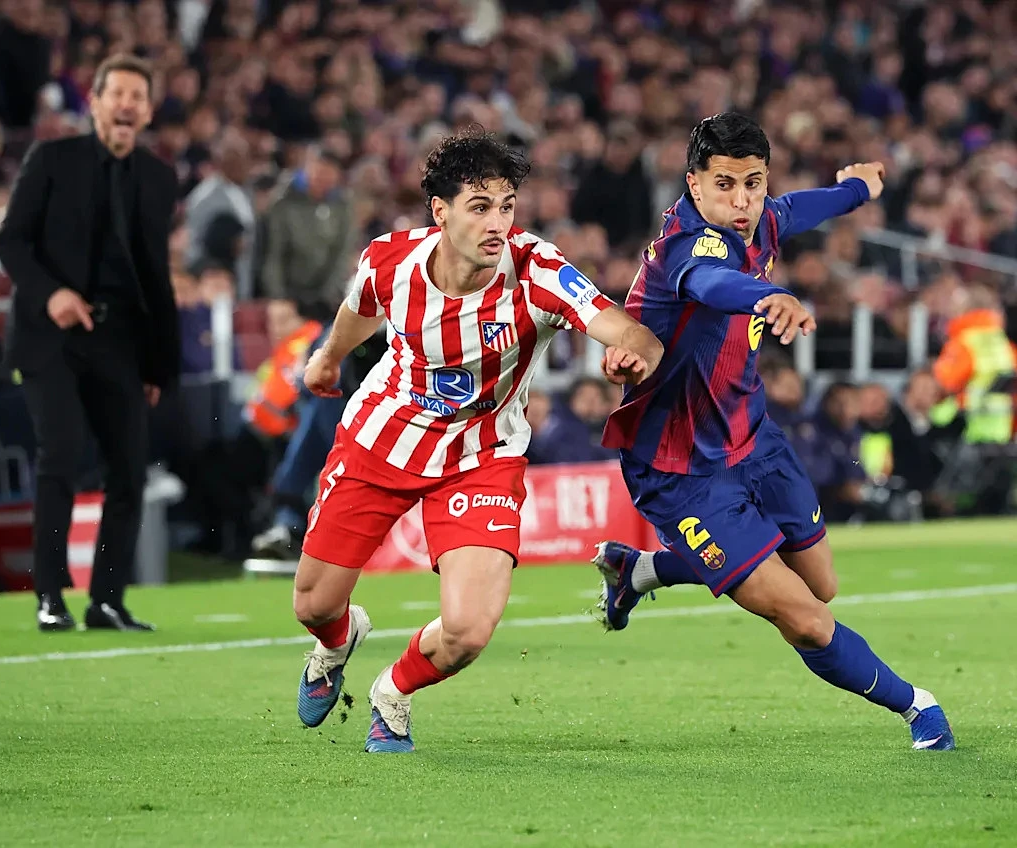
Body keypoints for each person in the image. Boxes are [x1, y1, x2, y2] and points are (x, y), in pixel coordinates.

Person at [291, 127, 663, 753]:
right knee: (313, 605)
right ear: (440, 212)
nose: (498, 223)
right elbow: (360, 306)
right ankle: (336, 643)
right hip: (382, 439)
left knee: (466, 631)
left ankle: (392, 691)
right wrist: (328, 359)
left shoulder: (538, 271)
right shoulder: (391, 260)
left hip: (482, 456)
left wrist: (633, 355)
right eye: (480, 206)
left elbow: (632, 332)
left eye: (507, 206)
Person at [592, 113, 954, 751]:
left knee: (822, 583)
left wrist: (857, 190)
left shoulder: (761, 220)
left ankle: (641, 571)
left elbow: (796, 209)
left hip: (754, 438)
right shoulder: (684, 246)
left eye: (753, 184)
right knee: (806, 618)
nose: (742, 201)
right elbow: (713, 282)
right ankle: (917, 707)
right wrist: (767, 296)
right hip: (681, 471)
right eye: (724, 184)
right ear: (694, 183)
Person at [0, 54, 179, 633]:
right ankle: (50, 595)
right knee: (62, 454)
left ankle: (107, 601)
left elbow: (156, 277)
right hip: (51, 335)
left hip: (119, 339)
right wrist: (52, 293)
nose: (126, 104)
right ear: (94, 102)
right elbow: (10, 242)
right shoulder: (51, 159)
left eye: (137, 97)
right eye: (116, 93)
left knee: (129, 469)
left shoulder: (158, 178)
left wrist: (158, 364)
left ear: (147, 112)